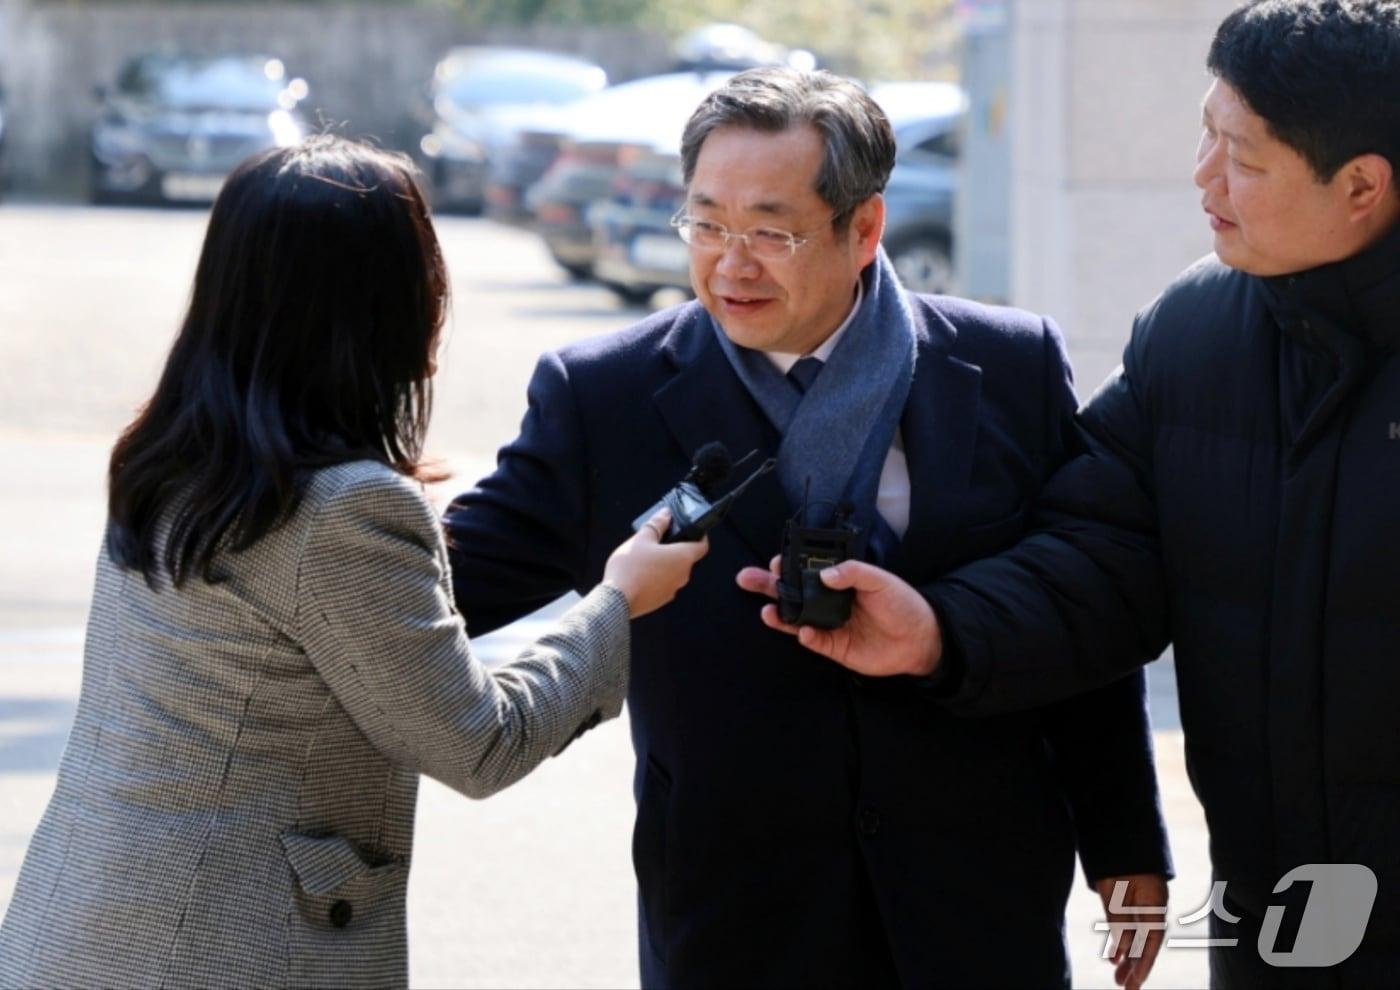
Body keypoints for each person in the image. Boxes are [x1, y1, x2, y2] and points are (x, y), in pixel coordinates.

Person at [444, 68, 1171, 989]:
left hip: (977, 904)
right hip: (735, 913)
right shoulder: (604, 395)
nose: (731, 264)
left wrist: (1124, 842)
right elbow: (442, 592)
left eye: (770, 231)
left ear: (863, 228)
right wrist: (328, 501)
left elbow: (1073, 609)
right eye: (707, 225)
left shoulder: (1008, 365)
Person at [747, 2, 1400, 985]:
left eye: (1242, 159)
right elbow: (1098, 558)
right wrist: (942, 630)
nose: (1202, 176)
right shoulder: (1194, 333)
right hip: (1278, 921)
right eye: (1205, 134)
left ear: (1360, 186)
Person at [0, 136, 708, 990]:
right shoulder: (345, 510)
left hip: (77, 930)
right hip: (225, 955)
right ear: (387, 305)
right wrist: (616, 602)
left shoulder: (169, 459)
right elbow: (481, 745)